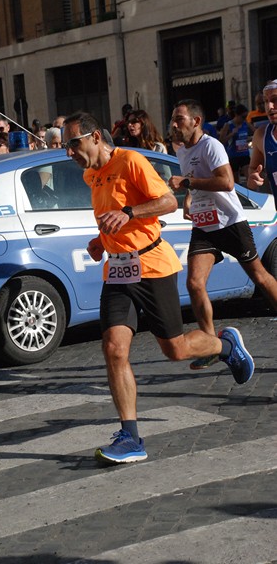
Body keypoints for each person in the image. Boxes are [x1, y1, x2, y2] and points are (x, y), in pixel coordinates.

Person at [63, 111, 255, 464]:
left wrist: (130, 213)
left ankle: (225, 345)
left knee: (176, 349)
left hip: (152, 266)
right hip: (118, 272)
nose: (68, 152)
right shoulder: (93, 175)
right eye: (64, 145)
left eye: (72, 143)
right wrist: (101, 241)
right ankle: (130, 437)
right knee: (114, 348)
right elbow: (113, 218)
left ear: (94, 138)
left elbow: (166, 201)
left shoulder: (131, 160)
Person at [168, 99, 277, 371]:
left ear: (196, 121)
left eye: (179, 119)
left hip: (230, 223)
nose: (173, 124)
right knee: (194, 283)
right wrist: (190, 198)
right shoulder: (182, 150)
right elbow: (194, 178)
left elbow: (227, 182)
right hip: (205, 227)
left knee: (260, 278)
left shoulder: (211, 145)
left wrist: (188, 183)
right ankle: (211, 345)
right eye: (172, 119)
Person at [247, 79, 277, 209]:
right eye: (266, 101)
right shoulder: (261, 135)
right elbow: (253, 169)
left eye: (275, 100)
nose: (269, 106)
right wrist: (253, 178)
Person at [219, 104, 250, 182]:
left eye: (246, 116)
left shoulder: (245, 123)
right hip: (233, 156)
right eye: (243, 117)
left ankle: (252, 192)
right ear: (236, 115)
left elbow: (256, 132)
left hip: (244, 154)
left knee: (250, 177)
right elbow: (221, 141)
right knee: (235, 181)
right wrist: (232, 134)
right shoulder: (228, 125)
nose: (244, 119)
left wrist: (250, 138)